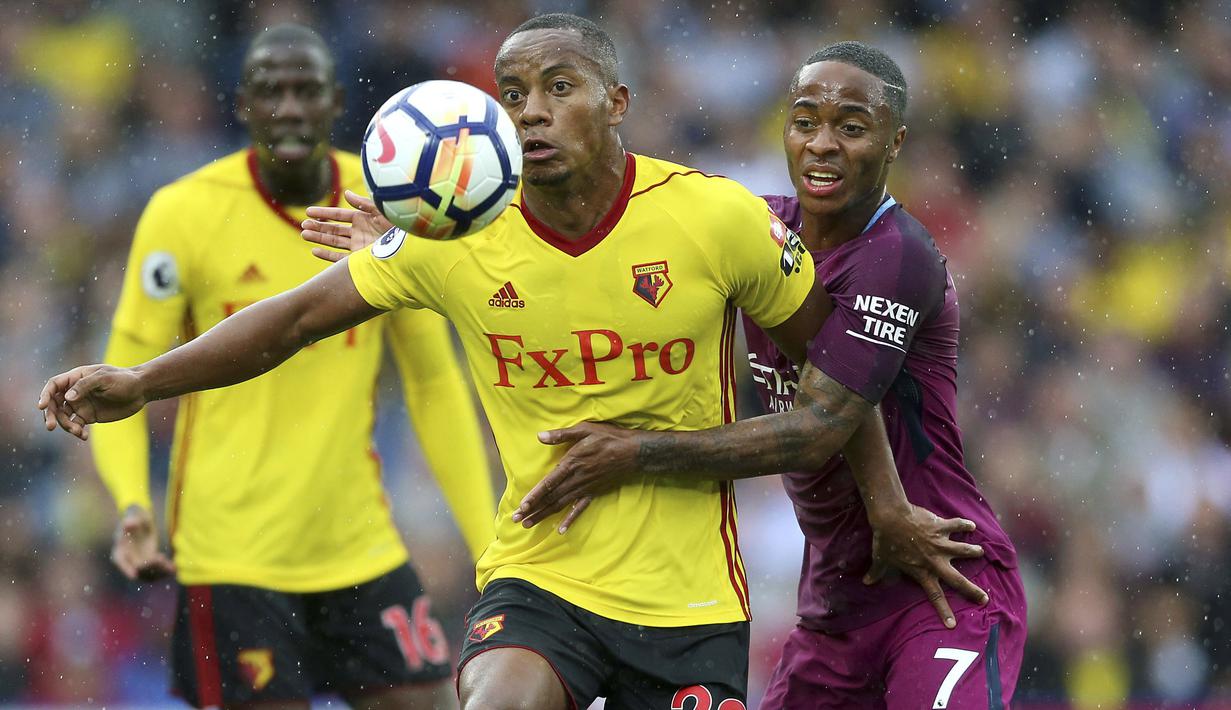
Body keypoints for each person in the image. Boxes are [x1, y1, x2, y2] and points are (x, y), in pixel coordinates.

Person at [42, 16, 979, 710]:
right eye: (514, 93)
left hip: (689, 594)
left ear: (615, 102)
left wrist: (888, 504)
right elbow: (287, 322)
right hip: (540, 574)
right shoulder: (456, 236)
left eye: (558, 87)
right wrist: (139, 382)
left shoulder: (712, 218)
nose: (532, 111)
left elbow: (834, 382)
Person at [513, 41, 1026, 709]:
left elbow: (818, 430)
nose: (822, 145)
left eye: (850, 127)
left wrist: (633, 453)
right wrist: (441, 231)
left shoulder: (897, 258)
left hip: (942, 588)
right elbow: (608, 247)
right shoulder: (756, 229)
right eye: (805, 121)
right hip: (835, 607)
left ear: (893, 141)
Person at [84, 24, 494, 709]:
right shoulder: (184, 213)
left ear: (336, 102)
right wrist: (132, 501)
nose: (291, 106)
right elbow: (120, 378)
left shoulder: (386, 203)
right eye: (272, 91)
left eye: (307, 90)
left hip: (358, 545)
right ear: (243, 105)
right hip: (231, 556)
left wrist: (487, 544)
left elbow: (432, 381)